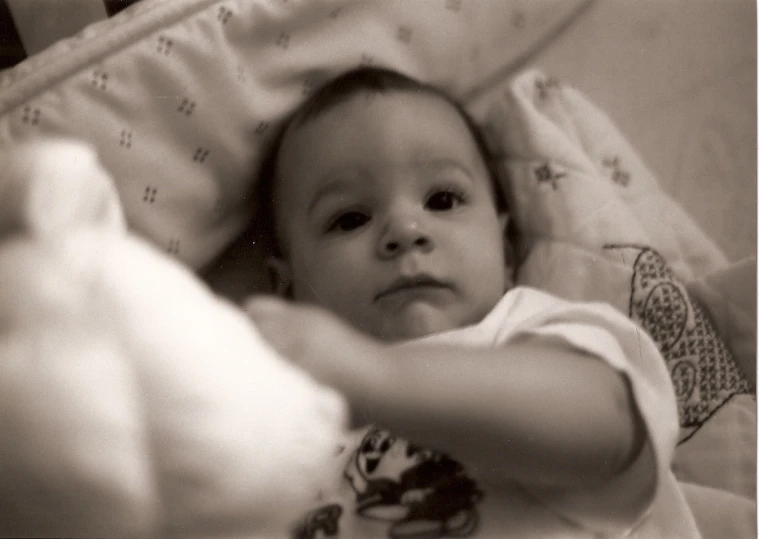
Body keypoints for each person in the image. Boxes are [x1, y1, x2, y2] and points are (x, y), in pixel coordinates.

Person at [245, 67, 700, 538]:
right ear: (287, 287)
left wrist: (377, 379)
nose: (405, 230)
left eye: (442, 199)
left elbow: (611, 425)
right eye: (350, 218)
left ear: (505, 253)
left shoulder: (527, 336)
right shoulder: (272, 434)